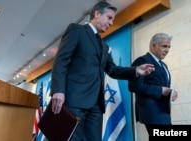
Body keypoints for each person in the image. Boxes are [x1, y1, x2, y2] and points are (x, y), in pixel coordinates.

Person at [49, 1, 155, 140]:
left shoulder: (104, 46)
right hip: (74, 100)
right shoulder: (77, 30)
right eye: (109, 18)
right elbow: (61, 60)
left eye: (113, 20)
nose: (111, 23)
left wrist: (136, 71)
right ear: (97, 14)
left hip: (96, 105)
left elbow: (113, 70)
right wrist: (58, 90)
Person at [128, 33, 178, 135]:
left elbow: (162, 85)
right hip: (152, 113)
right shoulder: (142, 60)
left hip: (164, 112)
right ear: (153, 46)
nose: (167, 50)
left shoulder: (163, 65)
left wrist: (171, 92)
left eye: (169, 47)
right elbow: (134, 86)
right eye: (164, 46)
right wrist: (161, 91)